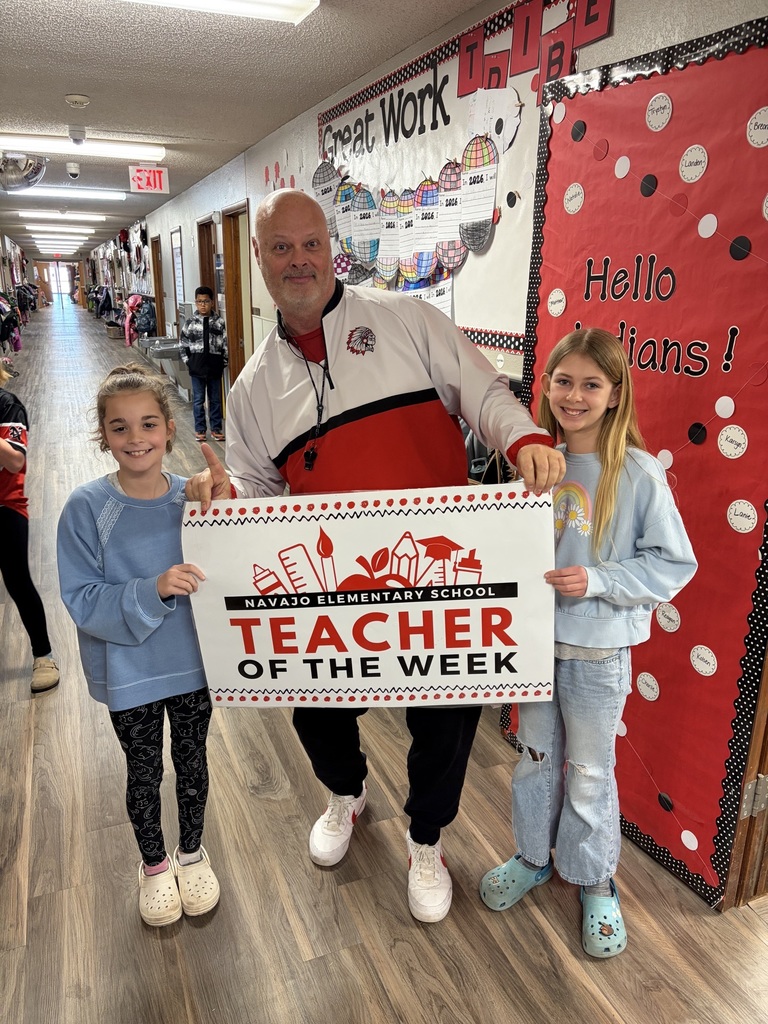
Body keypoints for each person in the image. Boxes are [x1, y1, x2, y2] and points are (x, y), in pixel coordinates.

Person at [186, 188, 565, 924]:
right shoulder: (252, 389)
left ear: (333, 248)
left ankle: (427, 837)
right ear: (259, 260)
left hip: (438, 569)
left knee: (448, 714)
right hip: (331, 584)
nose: (299, 259)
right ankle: (347, 792)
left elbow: (481, 391)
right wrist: (222, 505)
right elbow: (257, 500)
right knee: (316, 707)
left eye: (310, 243)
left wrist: (521, 438)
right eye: (281, 247)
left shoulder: (407, 319)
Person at [479, 327, 697, 957]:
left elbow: (673, 563)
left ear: (614, 391)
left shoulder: (637, 472)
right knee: (536, 757)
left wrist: (598, 578)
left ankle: (594, 877)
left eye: (591, 384)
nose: (574, 395)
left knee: (591, 770)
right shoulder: (530, 464)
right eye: (563, 381)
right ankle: (531, 855)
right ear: (545, 386)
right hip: (529, 647)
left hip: (596, 654)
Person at [57, 364, 220, 928]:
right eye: (120, 427)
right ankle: (154, 865)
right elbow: (81, 597)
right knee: (144, 770)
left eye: (148, 423)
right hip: (130, 673)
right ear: (103, 435)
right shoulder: (86, 507)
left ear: (168, 429)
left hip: (196, 666)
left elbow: (236, 556)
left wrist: (221, 497)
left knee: (193, 761)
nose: (136, 438)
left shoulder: (192, 499)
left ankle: (193, 851)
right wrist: (151, 590)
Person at [0, 364, 60, 693]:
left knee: (18, 581)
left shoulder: (7, 404)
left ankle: (44, 655)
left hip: (5, 508)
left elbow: (15, 461)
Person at [179, 286, 228, 443]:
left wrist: (223, 362)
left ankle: (216, 429)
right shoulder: (190, 323)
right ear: (195, 303)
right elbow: (183, 344)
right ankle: (200, 429)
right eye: (199, 302)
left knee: (215, 399)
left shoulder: (219, 323)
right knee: (199, 400)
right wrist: (189, 362)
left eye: (206, 301)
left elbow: (225, 344)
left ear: (212, 302)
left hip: (214, 366)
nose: (203, 305)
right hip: (197, 367)